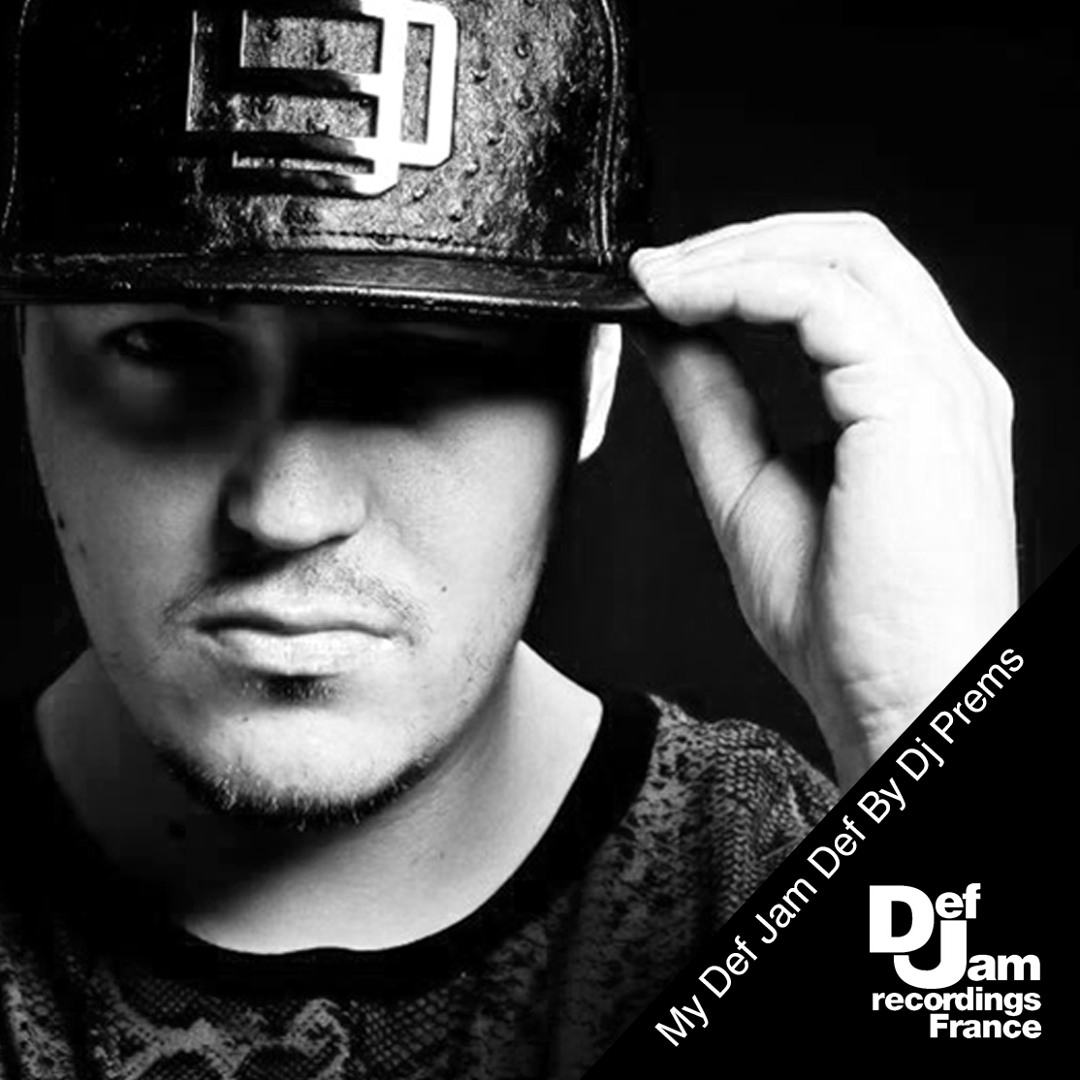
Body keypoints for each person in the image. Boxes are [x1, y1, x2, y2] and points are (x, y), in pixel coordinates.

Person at [0, 2, 1017, 1078]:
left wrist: (925, 719)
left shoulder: (790, 868)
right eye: (165, 346)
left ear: (595, 382)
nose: (287, 509)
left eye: (424, 358)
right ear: (23, 360)